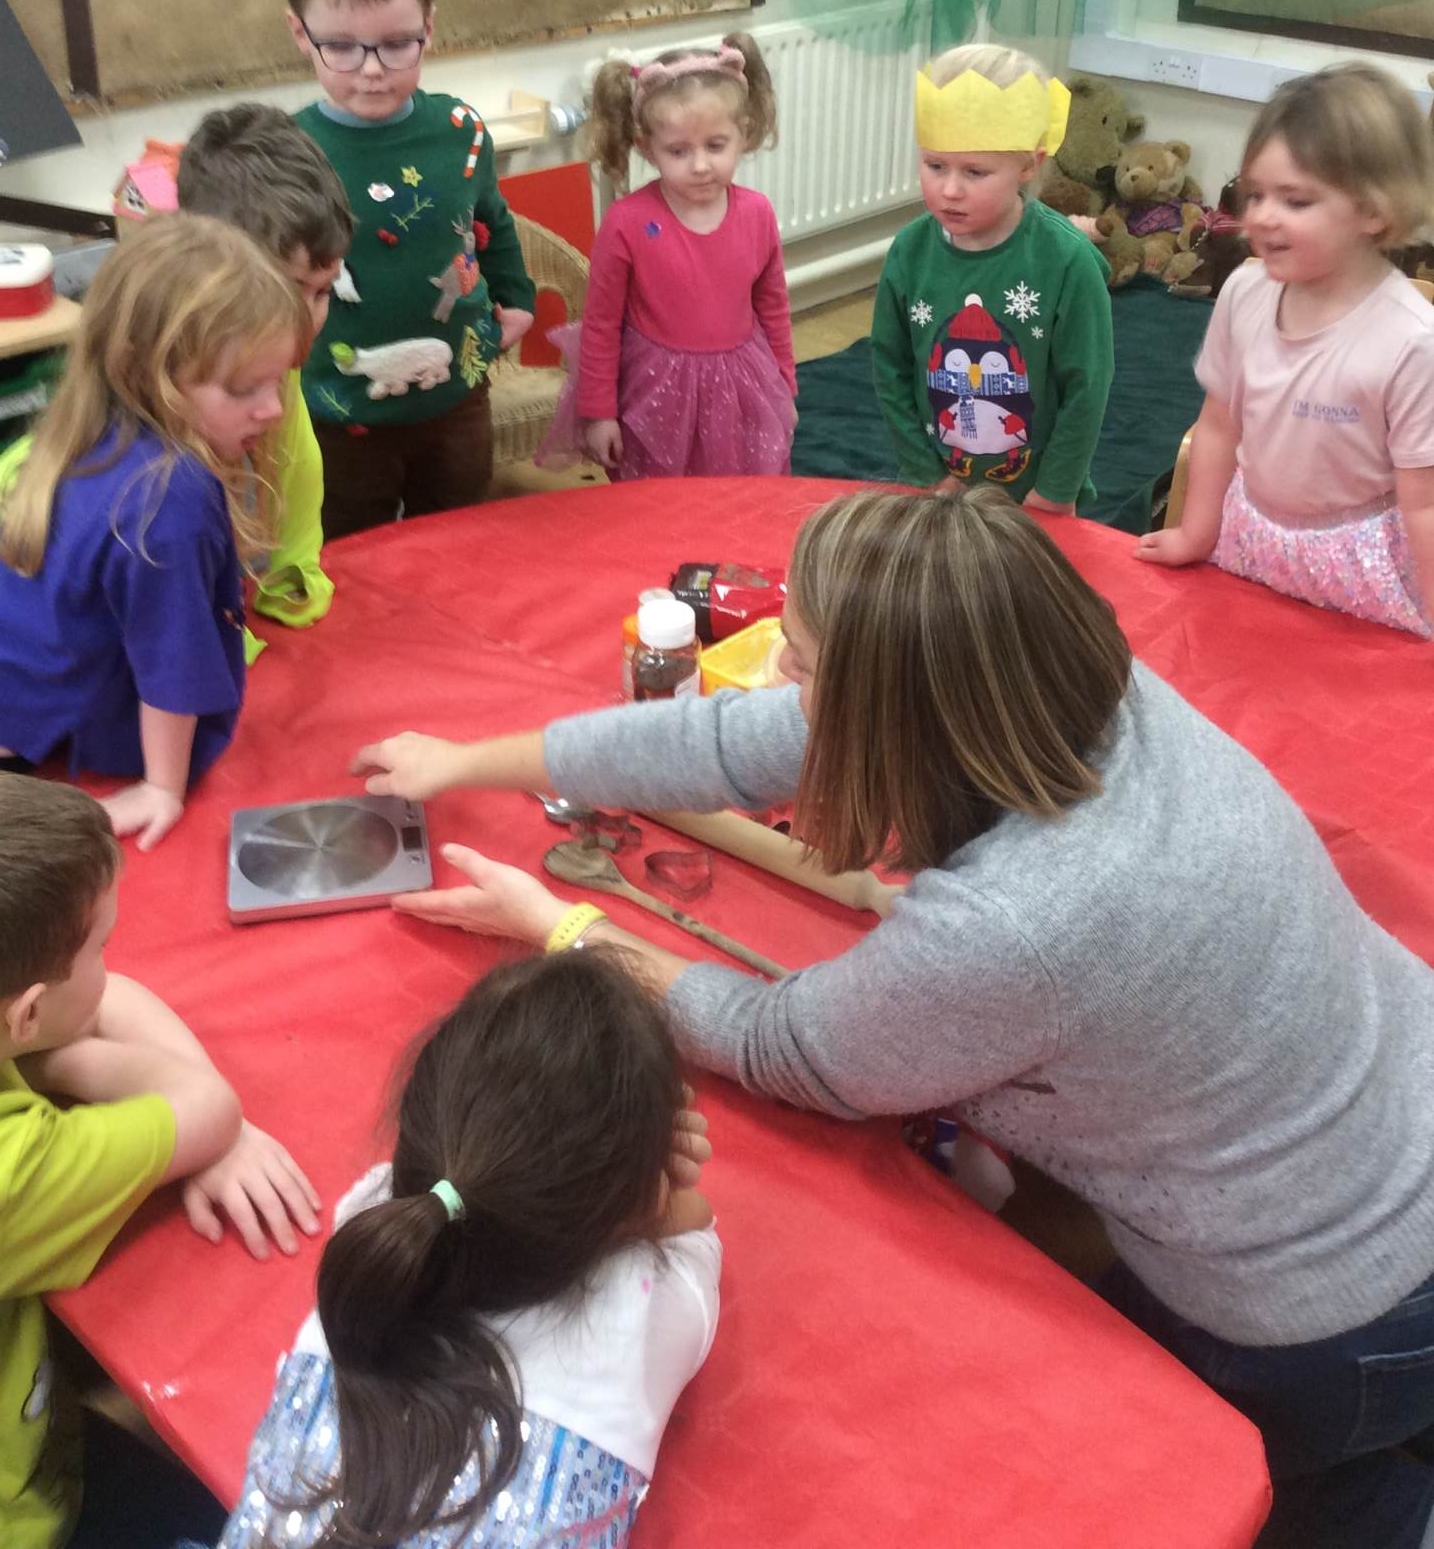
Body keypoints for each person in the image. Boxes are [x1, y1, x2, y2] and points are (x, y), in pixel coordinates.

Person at [356, 487, 1434, 1549]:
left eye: (800, 662)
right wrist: (472, 760)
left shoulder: (1019, 923)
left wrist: (560, 928)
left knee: (1267, 1495)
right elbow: (731, 740)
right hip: (1395, 1125)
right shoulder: (1058, 690)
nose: (777, 677)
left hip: (1332, 1311)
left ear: (882, 706)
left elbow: (782, 1046)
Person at [217, 948, 719, 1549]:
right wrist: (648, 1189)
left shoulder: (375, 1218)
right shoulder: (647, 1309)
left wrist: (627, 1176)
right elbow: (696, 1232)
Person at [0, 774, 320, 1549]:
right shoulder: (15, 1170)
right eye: (102, 946)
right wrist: (73, 1062)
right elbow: (205, 1108)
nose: (111, 962)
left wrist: (48, 1052)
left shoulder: (22, 1020)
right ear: (28, 1013)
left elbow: (110, 1002)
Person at [0, 214, 306, 848]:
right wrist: (163, 785)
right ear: (152, 377)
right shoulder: (168, 499)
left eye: (277, 380)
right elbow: (174, 660)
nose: (274, 408)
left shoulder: (83, 433)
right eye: (244, 388)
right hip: (45, 724)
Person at [1137, 63, 1434, 636]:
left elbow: (1425, 503)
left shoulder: (1412, 342)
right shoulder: (1244, 292)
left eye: (1295, 201)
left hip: (1362, 574)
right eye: (1256, 194)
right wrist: (1195, 534)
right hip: (1248, 541)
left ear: (1374, 211)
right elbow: (1219, 425)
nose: (1262, 217)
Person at [281, 0, 535, 537]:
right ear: (300, 34)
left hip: (457, 396)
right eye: (341, 47)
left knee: (456, 538)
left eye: (398, 44)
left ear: (429, 27)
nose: (372, 69)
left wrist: (516, 297)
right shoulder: (286, 152)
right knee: (353, 550)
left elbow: (490, 220)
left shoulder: (460, 131)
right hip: (338, 409)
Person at [539, 35, 797, 480]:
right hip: (657, 394)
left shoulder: (757, 213)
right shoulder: (626, 223)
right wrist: (600, 413)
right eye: (678, 151)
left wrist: (785, 386)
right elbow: (601, 325)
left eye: (716, 145)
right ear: (647, 147)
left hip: (742, 387)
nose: (700, 165)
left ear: (743, 133)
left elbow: (772, 307)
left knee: (740, 494)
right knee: (661, 504)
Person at [871, 42, 1113, 511]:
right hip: (938, 493)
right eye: (935, 165)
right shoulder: (909, 252)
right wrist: (926, 472)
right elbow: (889, 366)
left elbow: (1088, 387)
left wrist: (1054, 492)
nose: (950, 189)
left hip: (1035, 502)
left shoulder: (1068, 262)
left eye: (975, 172)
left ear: (1028, 165)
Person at [177, 102, 354, 654]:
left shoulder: (269, 359)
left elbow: (295, 458)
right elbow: (159, 533)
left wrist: (294, 564)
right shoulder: (176, 375)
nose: (309, 319)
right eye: (287, 291)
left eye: (323, 291)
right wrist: (210, 630)